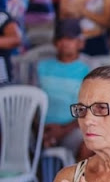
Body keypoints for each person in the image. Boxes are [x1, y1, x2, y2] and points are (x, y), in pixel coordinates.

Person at [37, 19, 91, 161]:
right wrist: (39, 129)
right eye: (60, 38)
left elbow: (89, 108)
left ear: (80, 42)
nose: (65, 42)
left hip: (73, 128)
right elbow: (29, 104)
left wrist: (63, 130)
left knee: (89, 144)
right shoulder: (41, 66)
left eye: (70, 38)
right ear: (55, 42)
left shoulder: (88, 69)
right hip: (40, 129)